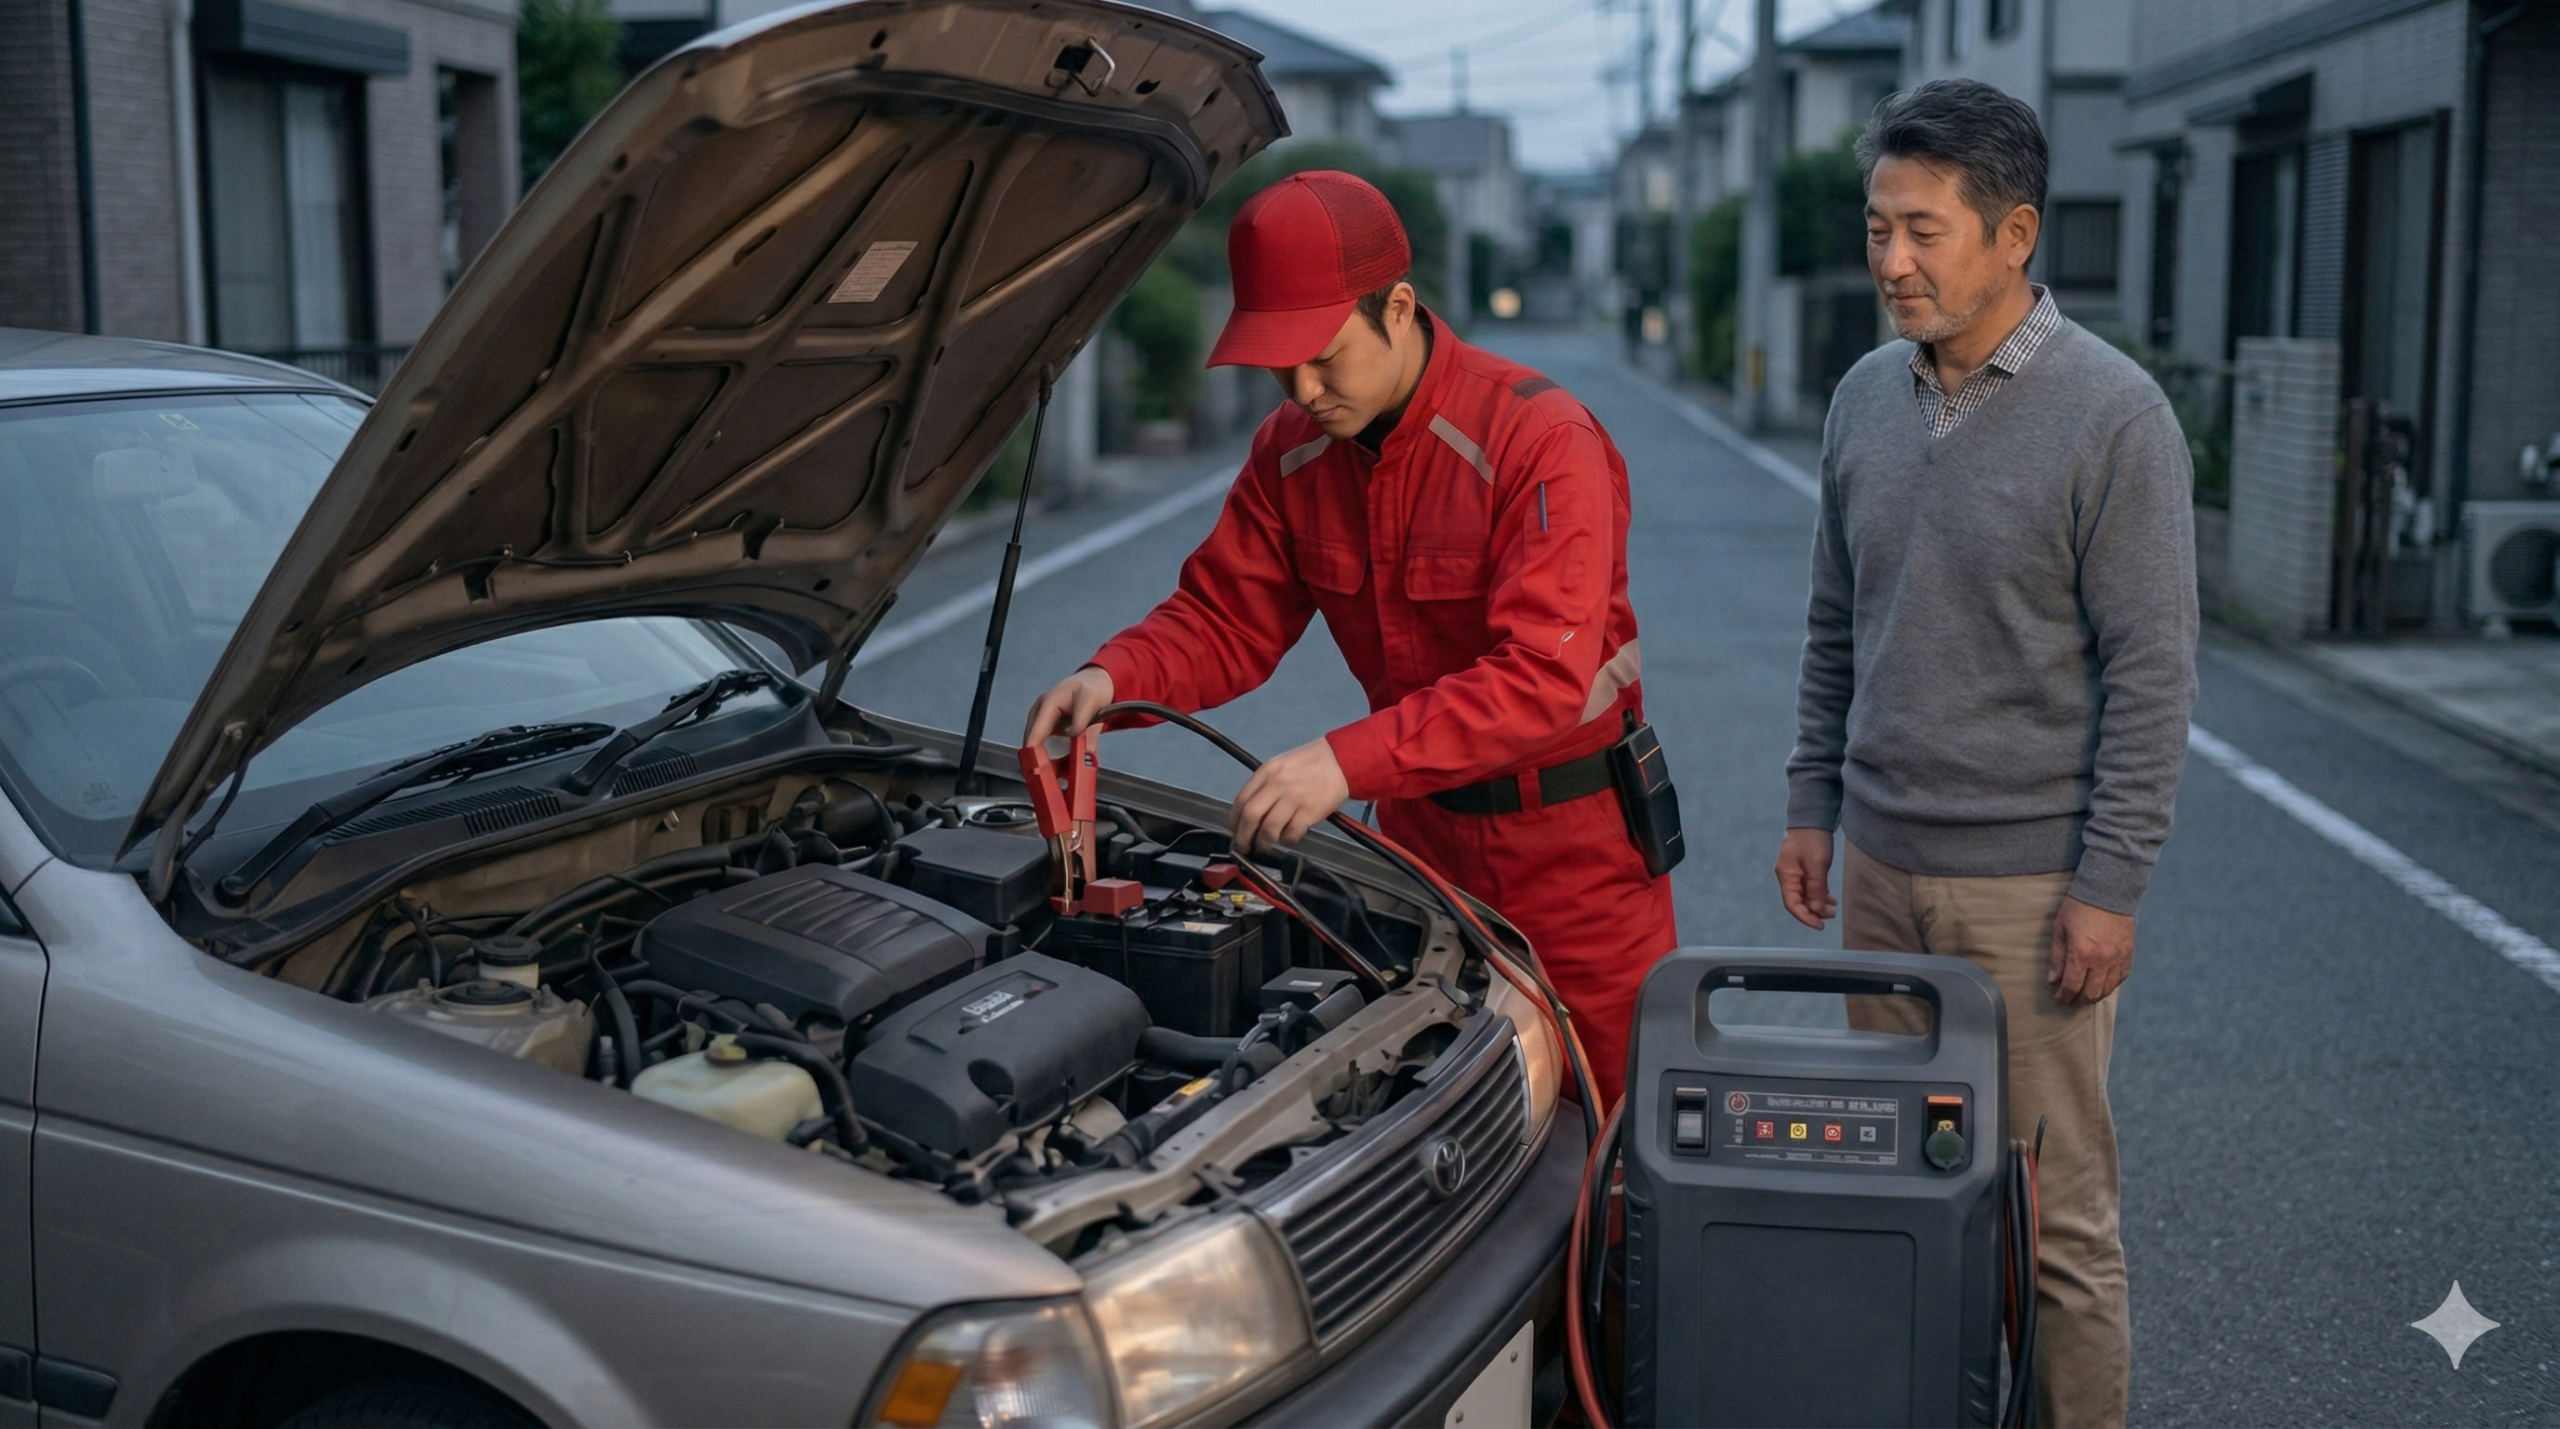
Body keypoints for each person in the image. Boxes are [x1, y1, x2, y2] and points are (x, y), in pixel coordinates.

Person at [1026, 171, 1677, 1108]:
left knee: (1613, 1141)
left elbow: (1541, 675)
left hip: (1575, 858)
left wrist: (1342, 759)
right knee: (1433, 1122)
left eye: (1323, 355)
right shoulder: (1292, 449)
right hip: (1420, 849)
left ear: (1399, 307)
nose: (1301, 386)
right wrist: (1111, 674)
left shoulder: (1540, 437)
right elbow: (1224, 616)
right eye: (1278, 362)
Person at [1772, 80, 2197, 1429]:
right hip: (1886, 872)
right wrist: (1811, 801)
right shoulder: (1860, 401)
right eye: (1878, 228)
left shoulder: (2113, 418)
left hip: (2032, 890)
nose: (1891, 260)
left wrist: (2111, 883)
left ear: (2015, 235)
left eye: (1924, 232)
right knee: (1904, 1195)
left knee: (2053, 1217)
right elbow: (1839, 623)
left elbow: (2152, 674)